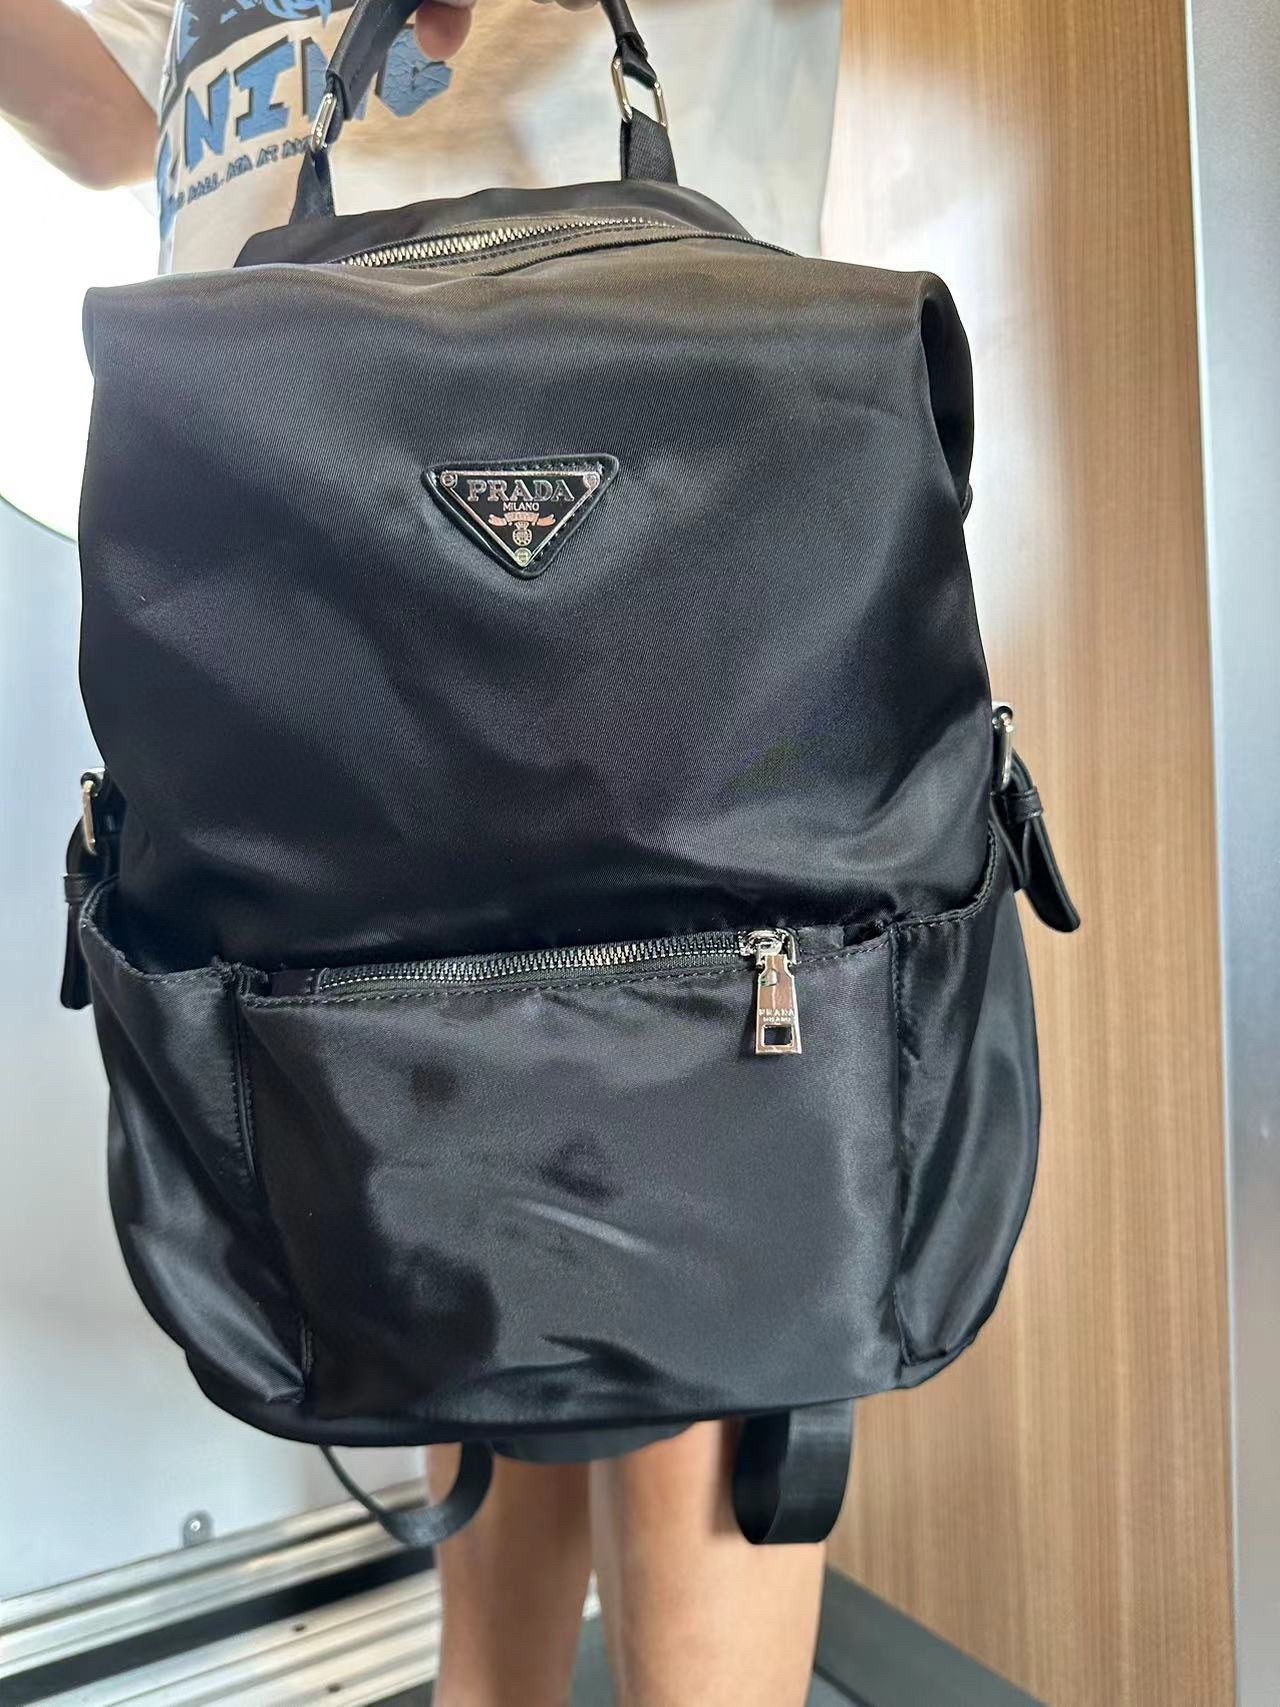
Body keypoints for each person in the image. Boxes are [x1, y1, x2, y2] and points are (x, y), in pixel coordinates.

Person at [0, 3, 843, 1701]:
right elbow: (103, 125)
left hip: (645, 446)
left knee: (702, 1272)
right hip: (288, 515)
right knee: (447, 1238)